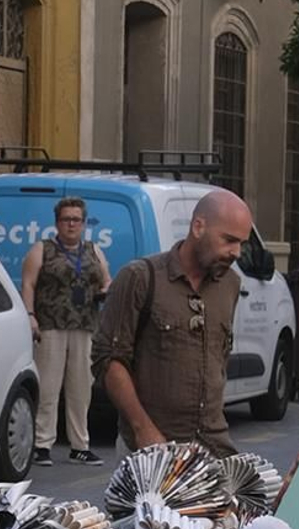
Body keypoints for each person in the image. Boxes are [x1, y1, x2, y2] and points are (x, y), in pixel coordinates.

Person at [97, 187, 252, 454]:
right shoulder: (140, 278)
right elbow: (107, 358)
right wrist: (142, 428)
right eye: (228, 240)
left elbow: (219, 357)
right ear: (198, 227)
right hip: (153, 447)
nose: (236, 252)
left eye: (241, 243)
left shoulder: (230, 284)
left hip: (213, 446)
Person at [21, 194, 110, 462]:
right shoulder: (42, 249)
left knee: (81, 387)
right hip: (51, 324)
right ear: (57, 223)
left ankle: (80, 445)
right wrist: (30, 315)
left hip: (84, 325)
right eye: (65, 220)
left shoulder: (93, 250)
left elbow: (107, 279)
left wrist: (104, 291)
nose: (71, 224)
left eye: (76, 220)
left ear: (83, 223)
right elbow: (28, 284)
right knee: (48, 386)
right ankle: (42, 444)